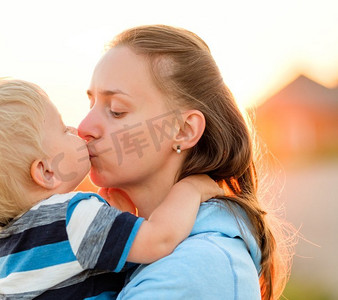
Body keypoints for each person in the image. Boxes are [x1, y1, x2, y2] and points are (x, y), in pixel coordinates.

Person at [0, 78, 223, 299]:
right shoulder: (74, 217)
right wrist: (191, 189)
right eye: (63, 129)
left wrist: (117, 216)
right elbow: (160, 240)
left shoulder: (8, 245)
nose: (77, 130)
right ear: (46, 171)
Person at [78, 25, 294, 300]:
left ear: (184, 130)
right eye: (91, 104)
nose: (84, 127)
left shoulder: (197, 267)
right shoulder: (129, 247)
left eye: (117, 111)